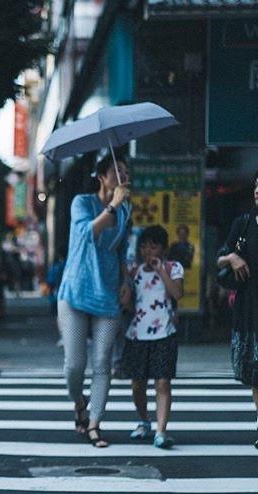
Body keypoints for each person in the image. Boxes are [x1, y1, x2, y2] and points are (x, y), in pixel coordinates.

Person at [56, 155, 132, 447]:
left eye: (125, 171)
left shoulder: (127, 211)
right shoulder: (82, 203)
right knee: (74, 365)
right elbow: (88, 233)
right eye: (117, 171)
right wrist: (113, 204)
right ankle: (79, 402)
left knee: (103, 362)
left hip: (108, 293)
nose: (123, 175)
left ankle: (94, 423)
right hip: (76, 291)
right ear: (102, 176)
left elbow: (122, 250)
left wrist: (126, 282)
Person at [122, 225, 184, 449]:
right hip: (137, 334)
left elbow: (177, 293)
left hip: (164, 333)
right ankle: (143, 420)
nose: (148, 251)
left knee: (163, 382)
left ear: (163, 249)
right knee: (137, 384)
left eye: (154, 246)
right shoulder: (134, 271)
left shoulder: (173, 267)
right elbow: (127, 304)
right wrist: (125, 295)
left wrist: (161, 271)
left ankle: (161, 431)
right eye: (144, 246)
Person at [217, 172, 258, 447]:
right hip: (250, 311)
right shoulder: (243, 224)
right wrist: (231, 258)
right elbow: (219, 260)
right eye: (257, 185)